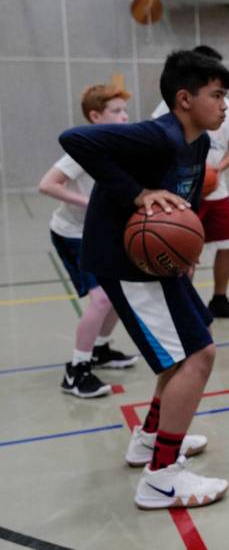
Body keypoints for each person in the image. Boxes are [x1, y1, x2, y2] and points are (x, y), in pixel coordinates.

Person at [60, 51, 229, 510]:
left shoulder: (196, 142)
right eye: (216, 95)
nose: (224, 106)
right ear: (183, 98)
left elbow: (185, 195)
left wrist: (189, 248)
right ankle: (162, 477)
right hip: (127, 263)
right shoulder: (155, 135)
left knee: (189, 351)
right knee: (196, 358)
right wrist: (136, 194)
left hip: (161, 263)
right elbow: (75, 138)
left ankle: (149, 440)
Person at [39, 84, 139, 398]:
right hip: (73, 233)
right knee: (102, 298)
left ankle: (99, 350)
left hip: (103, 232)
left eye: (125, 111)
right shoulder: (84, 149)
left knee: (122, 294)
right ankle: (76, 371)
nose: (124, 117)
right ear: (95, 116)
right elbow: (47, 184)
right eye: (116, 111)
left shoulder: (121, 146)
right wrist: (89, 204)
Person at [153, 45, 229, 318]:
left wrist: (216, 170)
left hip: (216, 188)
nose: (221, 100)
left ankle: (219, 298)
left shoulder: (227, 108)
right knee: (183, 250)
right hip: (180, 191)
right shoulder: (166, 112)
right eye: (215, 90)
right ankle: (182, 303)